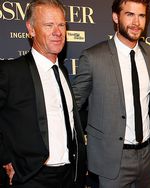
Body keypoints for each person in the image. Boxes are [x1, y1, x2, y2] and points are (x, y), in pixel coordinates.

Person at [72, 0, 150, 187]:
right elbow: (72, 107)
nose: (136, 23)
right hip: (111, 160)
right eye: (130, 14)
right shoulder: (93, 57)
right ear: (115, 17)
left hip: (147, 156)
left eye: (141, 15)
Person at [0, 0, 86, 187]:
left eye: (61, 25)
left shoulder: (62, 71)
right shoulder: (10, 71)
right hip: (31, 177)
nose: (57, 32)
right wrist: (5, 158)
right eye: (49, 25)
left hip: (69, 176)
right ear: (31, 29)